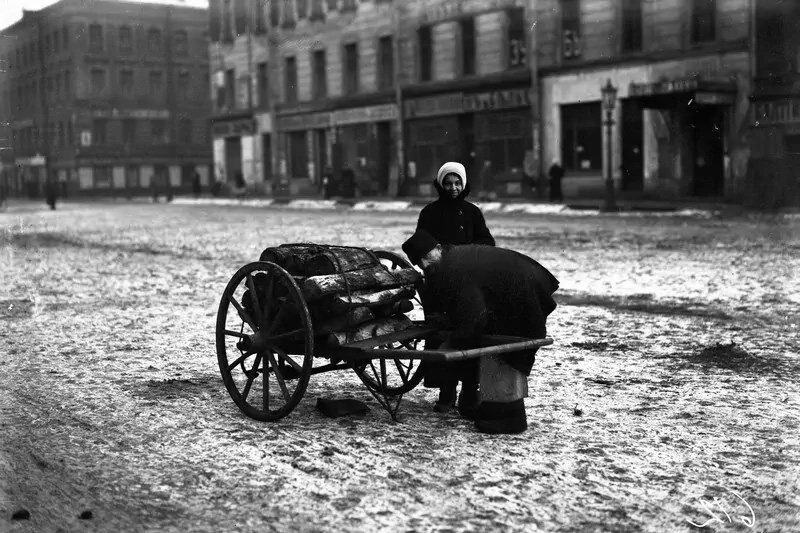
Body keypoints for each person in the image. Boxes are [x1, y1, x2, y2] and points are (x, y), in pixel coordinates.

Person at [402, 229, 559, 434]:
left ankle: (511, 421)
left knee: (504, 350)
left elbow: (475, 316)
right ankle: (495, 410)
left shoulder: (455, 268)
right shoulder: (452, 259)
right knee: (499, 350)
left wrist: (455, 339)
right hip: (521, 287)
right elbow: (469, 304)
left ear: (438, 248)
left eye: (426, 257)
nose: (424, 265)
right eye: (418, 262)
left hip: (523, 293)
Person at [414, 161, 495, 415]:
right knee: (443, 335)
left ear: (464, 184)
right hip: (440, 287)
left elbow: (487, 242)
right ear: (440, 185)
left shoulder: (472, 213)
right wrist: (442, 260)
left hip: (470, 285)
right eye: (448, 183)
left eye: (457, 183)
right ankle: (446, 392)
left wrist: (469, 255)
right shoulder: (430, 213)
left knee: (472, 334)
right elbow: (421, 247)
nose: (453, 188)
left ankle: (470, 392)